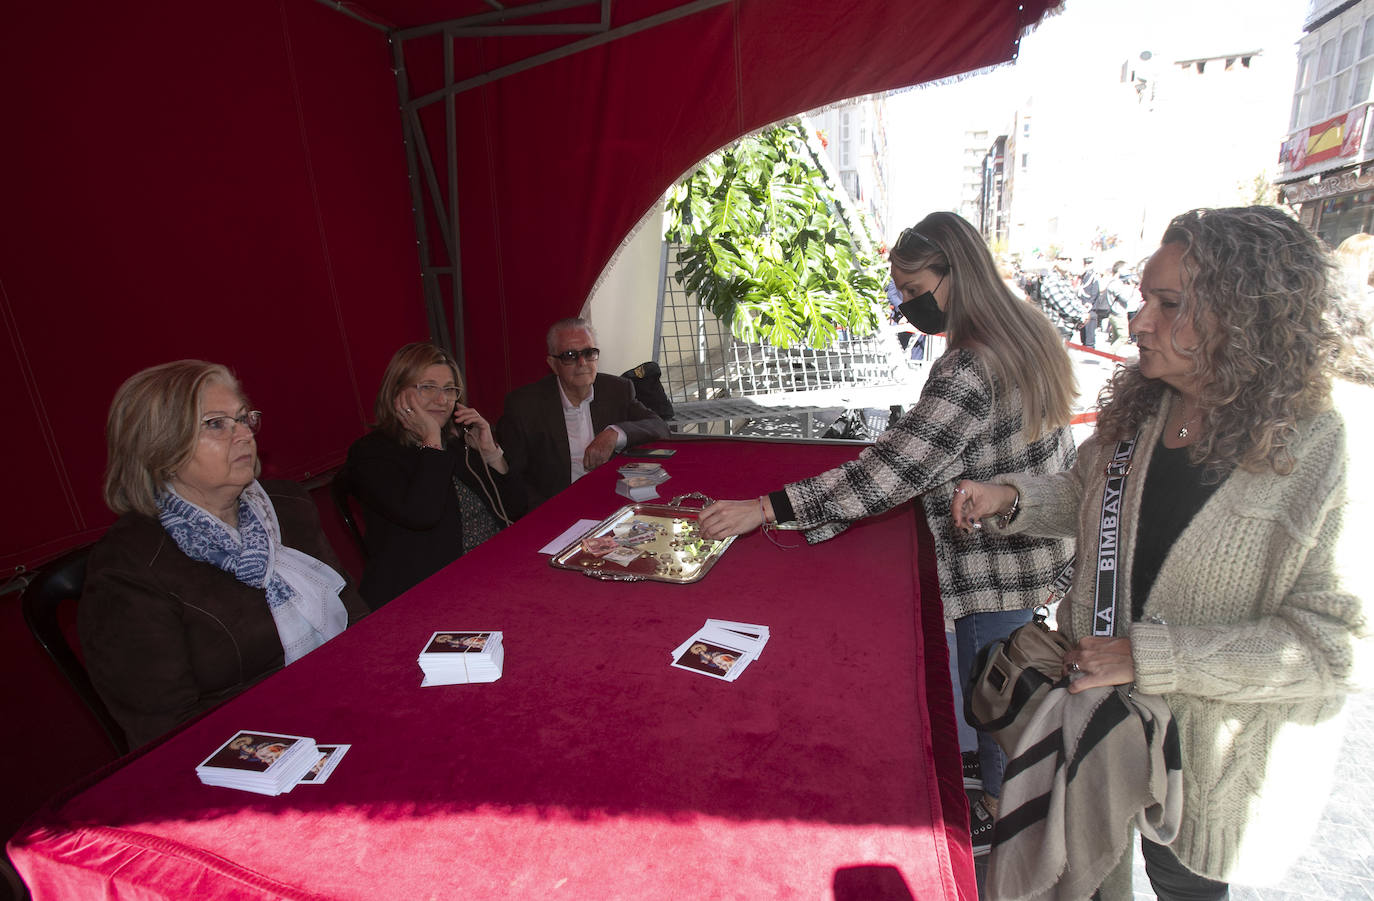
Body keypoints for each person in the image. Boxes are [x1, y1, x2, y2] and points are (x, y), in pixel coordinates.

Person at [952, 206, 1367, 899]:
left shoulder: (1328, 446)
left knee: (1185, 886)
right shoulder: (1144, 409)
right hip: (1097, 732)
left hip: (1204, 769)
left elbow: (1337, 646)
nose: (1137, 321)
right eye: (1144, 298)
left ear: (1248, 314)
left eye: (1167, 303)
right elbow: (1087, 493)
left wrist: (1151, 655)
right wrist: (1012, 498)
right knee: (1085, 875)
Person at [697, 211, 1078, 854]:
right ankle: (995, 788)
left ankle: (999, 815)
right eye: (897, 288)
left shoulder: (969, 366)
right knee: (1005, 689)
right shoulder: (1027, 332)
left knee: (996, 696)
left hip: (994, 560)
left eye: (911, 285)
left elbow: (890, 473)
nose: (905, 302)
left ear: (953, 276)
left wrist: (768, 507)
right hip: (1030, 548)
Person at [81, 360, 369, 749]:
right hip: (253, 753)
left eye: (243, 418)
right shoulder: (128, 569)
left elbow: (356, 617)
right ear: (159, 447)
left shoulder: (285, 506)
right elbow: (167, 735)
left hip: (352, 704)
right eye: (217, 424)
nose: (244, 435)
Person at [345, 343, 523, 607]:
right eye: (427, 387)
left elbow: (517, 510)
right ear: (397, 391)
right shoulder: (371, 453)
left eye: (449, 389)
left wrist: (490, 452)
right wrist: (431, 441)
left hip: (496, 569)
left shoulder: (456, 442)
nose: (442, 400)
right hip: (429, 590)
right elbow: (422, 514)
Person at [496, 318, 670, 509]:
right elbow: (514, 478)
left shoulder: (617, 389)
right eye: (570, 355)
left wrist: (614, 434)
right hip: (557, 508)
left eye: (589, 353)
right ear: (553, 364)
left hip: (613, 501)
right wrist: (549, 513)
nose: (582, 363)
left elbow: (659, 426)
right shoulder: (525, 405)